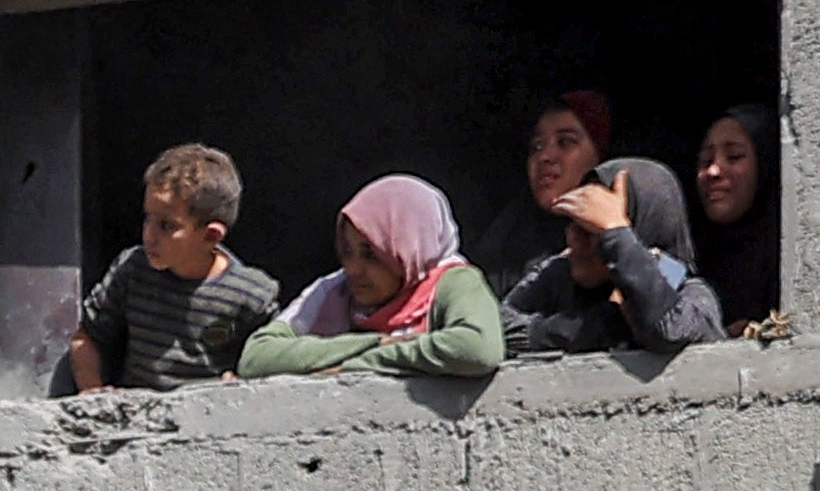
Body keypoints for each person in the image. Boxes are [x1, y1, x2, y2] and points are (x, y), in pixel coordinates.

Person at [234, 180, 506, 384]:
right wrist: (375, 342)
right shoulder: (335, 290)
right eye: (347, 252)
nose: (353, 269)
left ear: (410, 248)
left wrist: (362, 363)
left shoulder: (452, 282)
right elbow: (257, 356)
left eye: (371, 254)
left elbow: (478, 349)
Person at [62, 142, 280, 392]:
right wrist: (92, 391)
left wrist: (244, 382)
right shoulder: (132, 269)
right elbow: (87, 337)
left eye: (166, 226)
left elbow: (270, 364)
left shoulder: (251, 296)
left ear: (211, 236)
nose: (149, 235)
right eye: (148, 218)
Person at [501, 155, 725, 355]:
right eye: (574, 223)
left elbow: (669, 331)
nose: (573, 239)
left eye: (592, 229)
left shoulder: (694, 297)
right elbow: (496, 328)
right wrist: (597, 326)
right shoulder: (559, 274)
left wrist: (615, 233)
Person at [480, 85, 618, 280]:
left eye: (566, 142)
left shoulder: (634, 244)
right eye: (536, 146)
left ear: (601, 157)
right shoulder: (504, 245)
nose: (545, 156)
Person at [689, 100, 788, 339]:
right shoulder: (690, 256)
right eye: (705, 160)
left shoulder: (786, 255)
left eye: (733, 157)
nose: (713, 171)